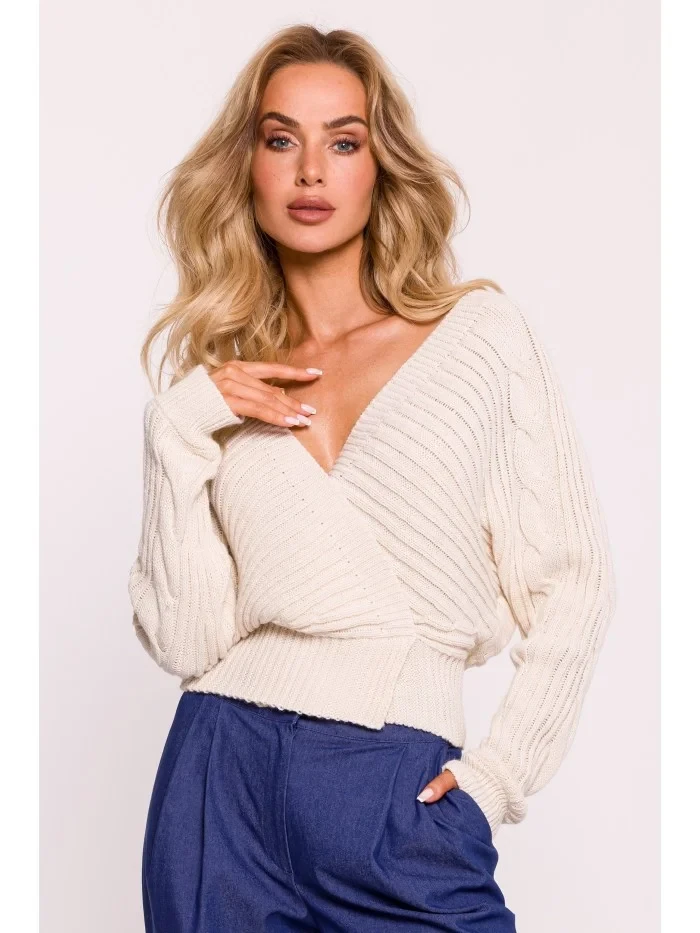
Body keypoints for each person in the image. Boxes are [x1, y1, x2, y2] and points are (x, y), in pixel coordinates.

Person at [128, 24, 616, 933]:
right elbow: (190, 640)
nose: (311, 170)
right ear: (247, 168)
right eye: (282, 139)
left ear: (381, 166)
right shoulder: (219, 389)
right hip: (218, 780)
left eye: (343, 142)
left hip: (393, 793)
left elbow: (576, 582)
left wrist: (497, 779)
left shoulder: (477, 338)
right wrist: (177, 428)